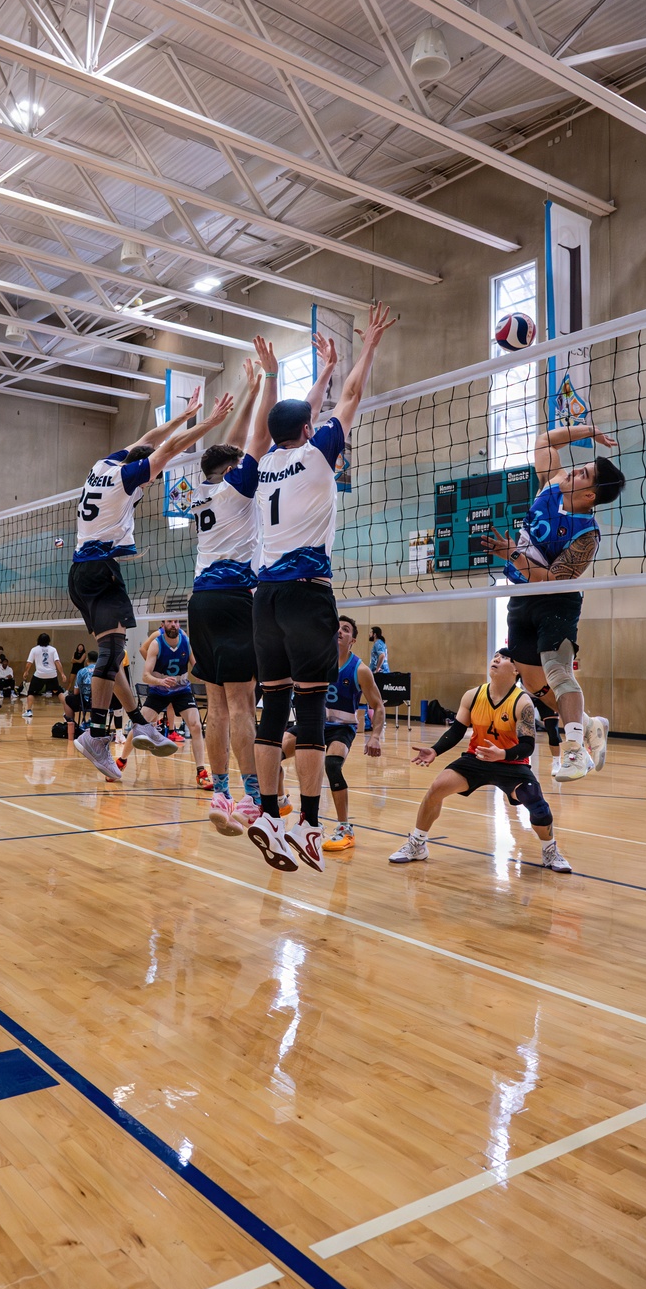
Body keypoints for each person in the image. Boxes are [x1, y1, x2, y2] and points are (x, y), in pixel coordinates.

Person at [246, 302, 396, 873]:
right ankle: (308, 826)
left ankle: (265, 811)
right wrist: (366, 349)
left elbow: (292, 416)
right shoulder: (316, 455)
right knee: (310, 709)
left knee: (272, 707)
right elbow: (352, 399)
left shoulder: (261, 467)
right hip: (309, 593)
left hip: (265, 598)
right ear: (308, 432)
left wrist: (320, 374)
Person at [68, 383, 235, 781]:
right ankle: (95, 735)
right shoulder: (129, 479)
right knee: (112, 655)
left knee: (115, 655)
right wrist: (208, 423)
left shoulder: (102, 465)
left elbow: (146, 440)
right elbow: (169, 449)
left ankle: (139, 723)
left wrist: (181, 415)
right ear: (143, 476)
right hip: (101, 570)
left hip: (80, 573)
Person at [482, 420, 624, 782]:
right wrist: (591, 431)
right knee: (531, 682)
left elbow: (550, 580)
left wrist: (513, 553)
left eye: (585, 473)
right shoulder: (552, 483)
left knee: (557, 671)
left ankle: (575, 750)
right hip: (521, 594)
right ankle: (590, 723)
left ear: (591, 494)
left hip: (556, 600)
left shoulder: (586, 536)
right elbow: (545, 439)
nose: (576, 470)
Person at [184, 360, 271, 834]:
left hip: (200, 602)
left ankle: (218, 792)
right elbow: (256, 440)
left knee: (215, 705)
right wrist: (266, 385)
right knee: (241, 704)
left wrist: (249, 385)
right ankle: (251, 798)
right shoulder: (239, 489)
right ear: (232, 470)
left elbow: (232, 448)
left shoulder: (202, 490)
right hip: (237, 598)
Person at [389, 648, 570, 872]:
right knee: (436, 788)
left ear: (516, 670)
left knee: (537, 804)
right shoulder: (473, 695)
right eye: (496, 656)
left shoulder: (522, 702)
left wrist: (502, 754)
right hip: (476, 760)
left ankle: (550, 851)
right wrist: (435, 750)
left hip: (511, 763)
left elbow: (527, 747)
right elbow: (456, 731)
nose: (496, 659)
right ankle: (417, 844)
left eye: (504, 658)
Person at [281, 616, 385, 852]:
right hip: (312, 723)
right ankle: (281, 802)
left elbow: (378, 706)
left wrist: (375, 736)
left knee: (333, 766)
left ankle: (345, 828)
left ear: (353, 641)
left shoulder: (360, 669)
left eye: (345, 629)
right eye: (336, 628)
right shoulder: (315, 661)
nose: (339, 631)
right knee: (273, 753)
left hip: (341, 728)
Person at [142, 619, 212, 789]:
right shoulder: (156, 640)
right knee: (139, 724)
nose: (173, 624)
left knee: (195, 726)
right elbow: (145, 671)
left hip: (181, 690)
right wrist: (159, 675)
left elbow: (195, 663)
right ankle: (121, 760)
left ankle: (201, 772)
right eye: (169, 622)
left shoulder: (185, 640)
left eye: (176, 621)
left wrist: (204, 673)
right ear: (163, 624)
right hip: (160, 689)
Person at [21, 634, 67, 717]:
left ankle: (28, 711)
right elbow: (57, 662)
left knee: (31, 692)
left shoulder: (34, 649)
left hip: (39, 675)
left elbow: (29, 663)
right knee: (58, 691)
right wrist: (62, 674)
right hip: (52, 675)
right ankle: (67, 711)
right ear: (48, 640)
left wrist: (26, 672)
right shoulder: (53, 649)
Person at [62, 649, 95, 741]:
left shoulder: (82, 671)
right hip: (102, 702)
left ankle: (72, 724)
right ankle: (93, 720)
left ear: (87, 660)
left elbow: (76, 692)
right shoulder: (103, 671)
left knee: (67, 699)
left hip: (85, 702)